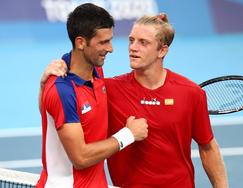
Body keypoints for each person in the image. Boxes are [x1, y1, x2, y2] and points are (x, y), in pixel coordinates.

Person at [41, 13, 228, 187]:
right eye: (131, 40)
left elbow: (208, 148)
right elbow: (61, 98)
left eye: (143, 42)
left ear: (162, 51)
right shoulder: (107, 89)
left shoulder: (190, 93)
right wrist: (46, 81)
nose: (133, 48)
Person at [36, 3, 148, 188]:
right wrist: (128, 135)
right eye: (103, 42)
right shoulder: (62, 89)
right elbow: (80, 157)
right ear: (80, 42)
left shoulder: (95, 70)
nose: (111, 48)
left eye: (110, 40)